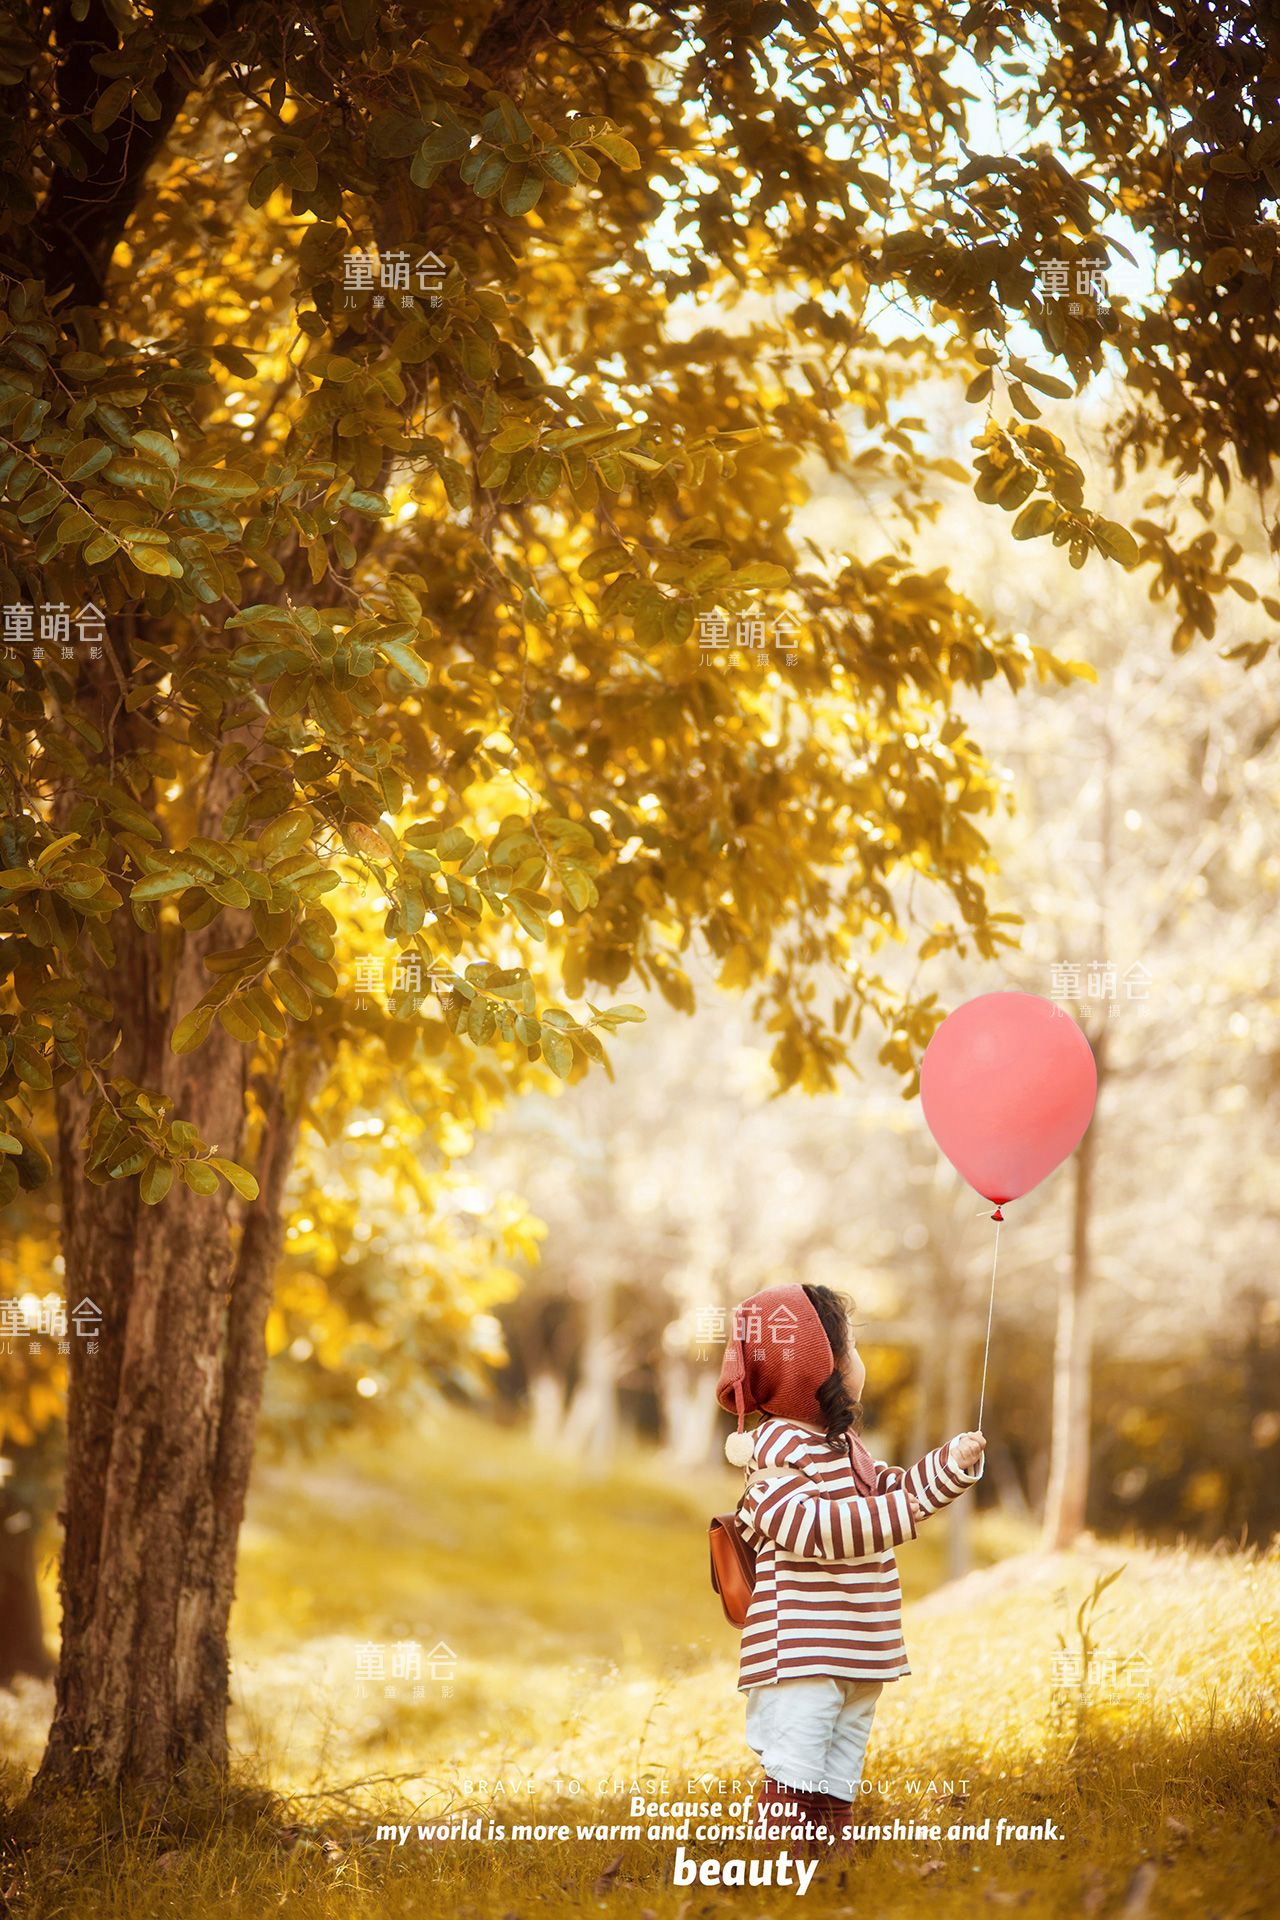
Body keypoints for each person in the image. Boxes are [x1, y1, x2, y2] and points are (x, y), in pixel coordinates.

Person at [715, 1281, 985, 1857]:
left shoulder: (845, 1446)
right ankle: (781, 1871)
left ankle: (832, 1867)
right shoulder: (777, 1446)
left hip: (860, 1645)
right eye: (852, 1347)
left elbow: (895, 1491)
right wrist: (903, 1509)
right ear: (817, 1367)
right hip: (803, 1649)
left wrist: (950, 1465)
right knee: (797, 1767)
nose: (860, 1360)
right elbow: (810, 1527)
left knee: (839, 1773)